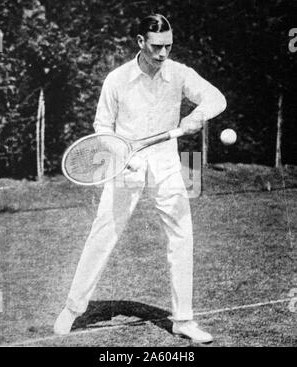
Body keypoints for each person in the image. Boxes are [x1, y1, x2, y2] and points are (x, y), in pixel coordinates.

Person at [54, 14, 226, 344]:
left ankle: (184, 320)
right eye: (157, 46)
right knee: (103, 233)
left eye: (169, 46)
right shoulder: (116, 80)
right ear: (140, 42)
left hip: (167, 166)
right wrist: (122, 157)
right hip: (125, 168)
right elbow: (102, 127)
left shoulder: (179, 74)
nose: (163, 54)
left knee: (182, 236)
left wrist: (195, 116)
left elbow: (217, 99)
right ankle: (73, 308)